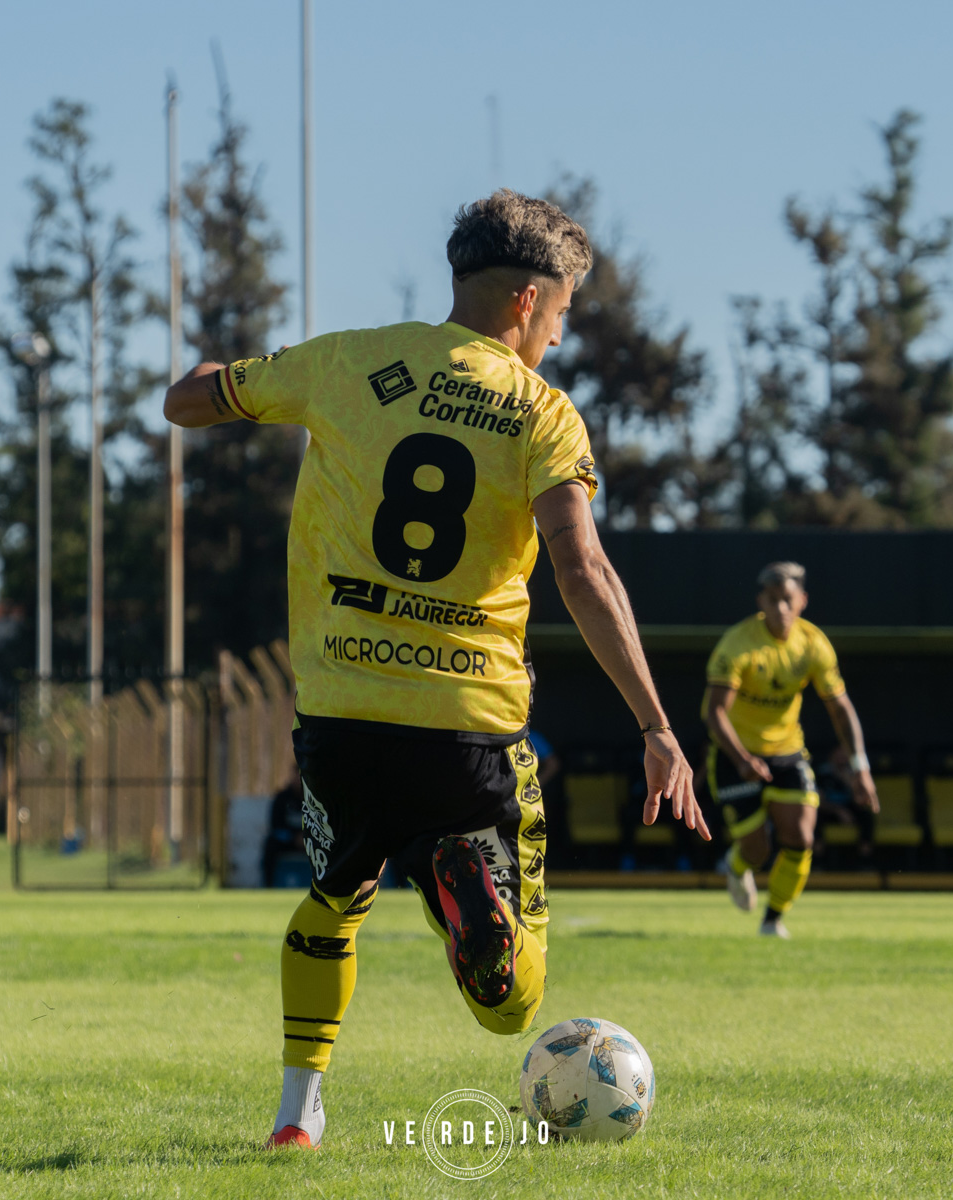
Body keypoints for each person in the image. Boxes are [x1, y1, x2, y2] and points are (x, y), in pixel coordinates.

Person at [163, 190, 708, 1149]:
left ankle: (299, 1114)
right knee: (510, 1004)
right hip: (470, 727)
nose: (560, 335)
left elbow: (189, 402)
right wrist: (659, 729)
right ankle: (468, 877)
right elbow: (582, 569)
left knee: (335, 894)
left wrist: (225, 376)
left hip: (341, 713)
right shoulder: (543, 412)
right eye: (565, 312)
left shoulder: (345, 362)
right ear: (529, 301)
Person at [701, 562, 878, 938]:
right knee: (757, 850)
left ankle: (773, 920)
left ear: (802, 600)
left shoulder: (813, 644)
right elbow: (714, 713)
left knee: (801, 836)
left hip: (788, 752)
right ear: (760, 601)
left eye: (788, 599)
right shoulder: (738, 644)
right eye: (772, 599)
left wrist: (860, 767)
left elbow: (840, 707)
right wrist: (742, 760)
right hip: (737, 755)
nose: (781, 608)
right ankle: (737, 866)